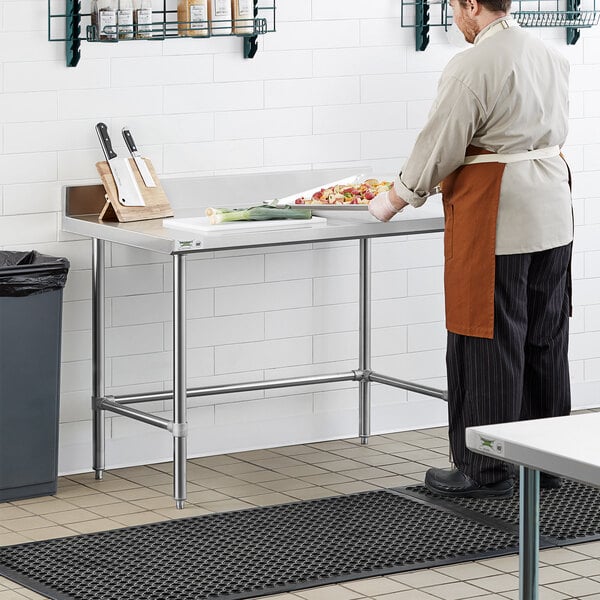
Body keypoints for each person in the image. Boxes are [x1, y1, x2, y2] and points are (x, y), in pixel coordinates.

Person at [369, 0, 573, 498]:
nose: (453, 19)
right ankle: (544, 462)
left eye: (454, 8)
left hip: (498, 209)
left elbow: (442, 142)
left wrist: (395, 197)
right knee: (544, 336)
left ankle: (483, 470)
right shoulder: (547, 55)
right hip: (553, 206)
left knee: (486, 336)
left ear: (472, 6)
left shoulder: (473, 64)